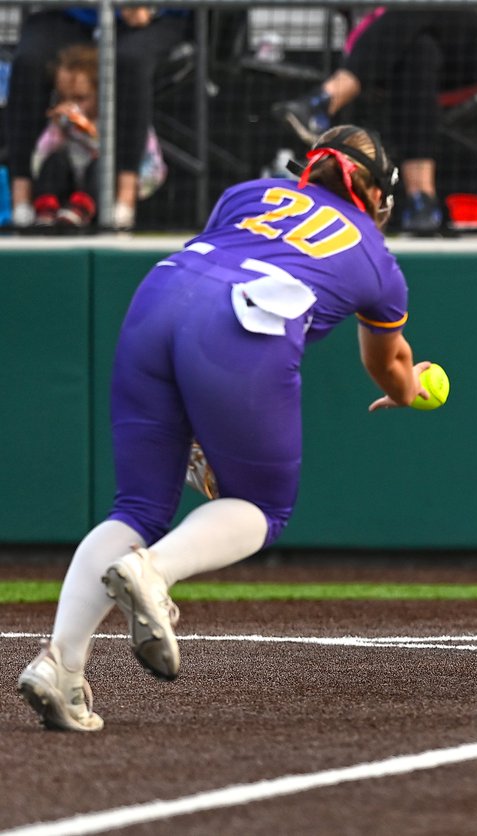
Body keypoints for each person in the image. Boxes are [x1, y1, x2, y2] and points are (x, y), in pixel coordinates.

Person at [18, 124, 436, 732]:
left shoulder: (250, 191)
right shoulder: (376, 254)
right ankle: (153, 573)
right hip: (243, 325)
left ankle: (61, 665)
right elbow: (388, 361)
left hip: (158, 298)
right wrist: (408, 388)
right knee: (263, 506)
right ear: (374, 192)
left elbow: (227, 264)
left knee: (135, 506)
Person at [271, 8, 477, 233]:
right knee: (420, 51)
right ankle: (422, 201)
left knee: (419, 8)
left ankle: (324, 100)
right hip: (401, 46)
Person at [4, 6, 190, 231]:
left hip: (152, 18)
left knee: (129, 61)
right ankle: (23, 201)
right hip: (75, 12)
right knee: (28, 62)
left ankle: (124, 200)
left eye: (80, 98)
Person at [28, 44, 167, 231]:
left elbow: (150, 170)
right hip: (71, 185)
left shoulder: (123, 120)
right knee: (55, 161)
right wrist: (57, 131)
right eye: (63, 98)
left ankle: (79, 212)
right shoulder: (62, 123)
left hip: (110, 189)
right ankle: (46, 213)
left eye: (80, 98)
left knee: (101, 166)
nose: (71, 105)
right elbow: (39, 160)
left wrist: (93, 134)